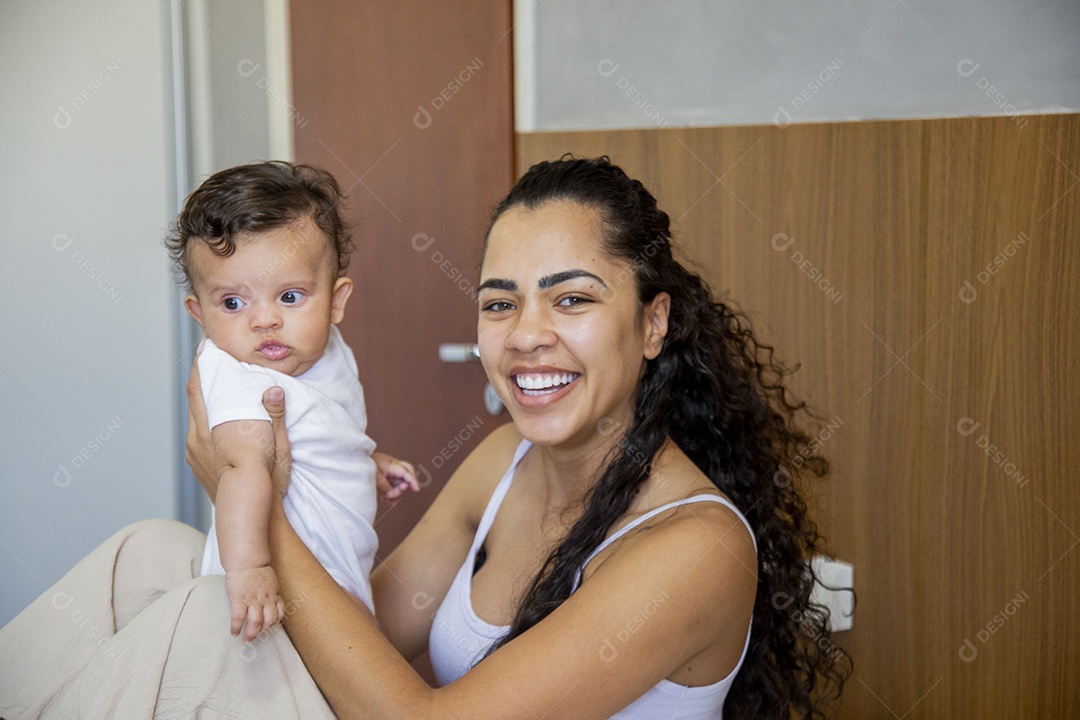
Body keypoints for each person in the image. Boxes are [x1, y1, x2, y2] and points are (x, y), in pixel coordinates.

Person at [0, 156, 849, 719]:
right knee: (151, 554)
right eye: (499, 302)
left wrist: (244, 500)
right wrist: (288, 493)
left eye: (572, 299)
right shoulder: (505, 462)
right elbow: (360, 629)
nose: (527, 335)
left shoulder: (696, 548)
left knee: (198, 627)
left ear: (653, 322)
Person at [168, 161, 419, 639]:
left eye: (289, 297)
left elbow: (322, 430)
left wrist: (363, 461)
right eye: (233, 303)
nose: (264, 320)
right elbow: (238, 468)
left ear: (335, 301)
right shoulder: (235, 371)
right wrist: (251, 568)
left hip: (335, 569)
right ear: (200, 315)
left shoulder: (327, 352)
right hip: (273, 591)